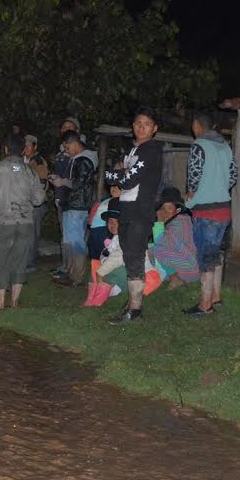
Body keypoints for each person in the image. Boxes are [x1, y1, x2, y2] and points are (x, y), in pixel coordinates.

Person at [102, 107, 165, 322]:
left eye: (146, 124)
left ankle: (135, 310)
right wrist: (119, 175)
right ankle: (132, 304)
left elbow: (126, 180)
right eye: (138, 123)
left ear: (154, 129)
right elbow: (112, 176)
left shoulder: (151, 150)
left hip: (140, 212)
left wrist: (118, 175)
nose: (141, 127)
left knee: (135, 258)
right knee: (129, 257)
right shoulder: (132, 151)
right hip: (127, 211)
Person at [0, 132, 45, 311]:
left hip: (2, 222)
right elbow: (39, 199)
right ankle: (14, 302)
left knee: (2, 260)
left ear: (6, 149)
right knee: (20, 260)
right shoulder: (29, 171)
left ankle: (0, 303)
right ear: (23, 150)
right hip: (24, 223)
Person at [184, 110, 239, 316]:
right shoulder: (225, 146)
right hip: (224, 209)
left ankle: (205, 304)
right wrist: (219, 187)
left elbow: (194, 176)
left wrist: (191, 193)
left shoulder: (199, 145)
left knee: (206, 257)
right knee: (215, 254)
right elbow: (233, 175)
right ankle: (216, 295)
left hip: (205, 211)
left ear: (197, 125)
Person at [52, 130, 98, 287]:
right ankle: (72, 275)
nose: (66, 151)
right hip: (72, 205)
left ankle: (76, 277)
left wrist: (62, 182)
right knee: (70, 242)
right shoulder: (79, 159)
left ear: (74, 143)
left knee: (76, 242)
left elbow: (80, 184)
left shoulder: (84, 160)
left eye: (66, 147)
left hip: (77, 206)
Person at [48, 117, 84, 278]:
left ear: (77, 131)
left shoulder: (80, 152)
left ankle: (73, 271)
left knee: (73, 237)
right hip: (61, 196)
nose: (66, 129)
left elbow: (77, 179)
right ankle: (66, 266)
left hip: (73, 199)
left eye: (70, 127)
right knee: (65, 234)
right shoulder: (61, 151)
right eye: (64, 127)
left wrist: (61, 181)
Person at [151, 186, 200, 287]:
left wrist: (159, 221)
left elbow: (159, 240)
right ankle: (173, 278)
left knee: (154, 248)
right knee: (151, 249)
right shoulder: (173, 221)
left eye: (169, 208)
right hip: (183, 265)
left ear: (177, 210)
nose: (165, 212)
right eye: (162, 208)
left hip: (190, 267)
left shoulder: (180, 222)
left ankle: (175, 278)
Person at [21, 134, 52, 274]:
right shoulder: (21, 162)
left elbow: (42, 184)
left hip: (36, 204)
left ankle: (31, 263)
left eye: (28, 145)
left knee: (32, 234)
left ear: (35, 147)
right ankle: (23, 261)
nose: (25, 148)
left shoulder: (38, 161)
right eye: (24, 145)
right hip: (24, 204)